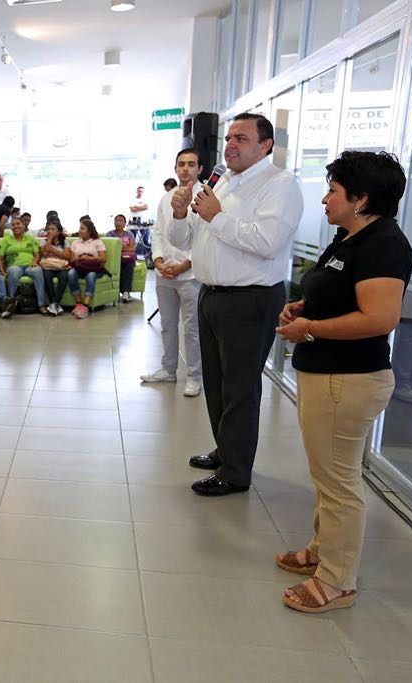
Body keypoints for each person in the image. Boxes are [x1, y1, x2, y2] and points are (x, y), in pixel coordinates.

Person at [273, 151, 412, 614]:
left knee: (338, 482)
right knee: (327, 475)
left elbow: (379, 317)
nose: (325, 198)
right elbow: (332, 294)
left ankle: (336, 581)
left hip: (348, 378)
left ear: (361, 198)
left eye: (333, 191)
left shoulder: (383, 245)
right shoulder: (349, 238)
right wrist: (302, 310)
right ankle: (321, 550)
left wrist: (310, 329)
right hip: (325, 373)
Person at [167, 112, 304, 496]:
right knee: (217, 382)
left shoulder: (280, 185)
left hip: (250, 299)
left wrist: (218, 216)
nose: (230, 145)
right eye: (229, 137)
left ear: (265, 146)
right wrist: (181, 214)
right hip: (212, 293)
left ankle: (236, 472)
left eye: (241, 138)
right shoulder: (223, 182)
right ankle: (226, 450)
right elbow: (186, 239)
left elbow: (267, 242)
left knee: (240, 388)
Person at [142, 148, 203, 397]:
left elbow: (203, 239)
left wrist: (186, 264)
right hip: (164, 273)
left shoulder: (205, 197)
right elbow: (158, 233)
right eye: (181, 164)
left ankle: (194, 376)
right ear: (175, 168)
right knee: (167, 325)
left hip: (190, 276)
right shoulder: (166, 198)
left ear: (200, 169)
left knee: (191, 329)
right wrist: (157, 260)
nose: (185, 169)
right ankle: (168, 370)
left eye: (191, 164)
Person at [0, 216, 48, 315]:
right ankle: (10, 304)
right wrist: (2, 271)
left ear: (24, 225)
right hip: (14, 265)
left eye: (18, 224)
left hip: (30, 265)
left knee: (38, 271)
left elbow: (37, 254)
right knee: (13, 272)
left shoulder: (30, 238)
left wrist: (35, 262)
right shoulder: (6, 240)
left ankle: (41, 305)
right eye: (13, 224)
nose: (16, 226)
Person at [66, 219, 107, 319]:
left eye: (82, 228)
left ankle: (85, 306)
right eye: (80, 228)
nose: (79, 230)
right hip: (80, 268)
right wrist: (78, 257)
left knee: (91, 275)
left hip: (94, 269)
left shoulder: (97, 242)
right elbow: (71, 259)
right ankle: (78, 303)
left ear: (89, 231)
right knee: (71, 273)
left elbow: (103, 258)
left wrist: (90, 258)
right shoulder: (76, 242)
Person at [38, 219, 71, 317]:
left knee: (64, 277)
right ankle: (55, 305)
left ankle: (54, 303)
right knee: (47, 276)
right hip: (48, 266)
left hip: (61, 267)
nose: (49, 231)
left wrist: (52, 249)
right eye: (48, 229)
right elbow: (44, 253)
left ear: (59, 232)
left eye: (52, 229)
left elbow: (67, 256)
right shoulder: (43, 241)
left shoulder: (65, 242)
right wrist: (49, 240)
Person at [105, 214, 138, 302]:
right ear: (114, 223)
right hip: (115, 259)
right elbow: (110, 249)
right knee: (119, 266)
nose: (119, 222)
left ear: (125, 223)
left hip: (128, 258)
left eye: (121, 220)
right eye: (117, 220)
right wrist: (124, 248)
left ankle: (126, 293)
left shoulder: (129, 234)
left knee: (129, 266)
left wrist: (120, 248)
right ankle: (119, 292)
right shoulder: (110, 234)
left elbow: (132, 248)